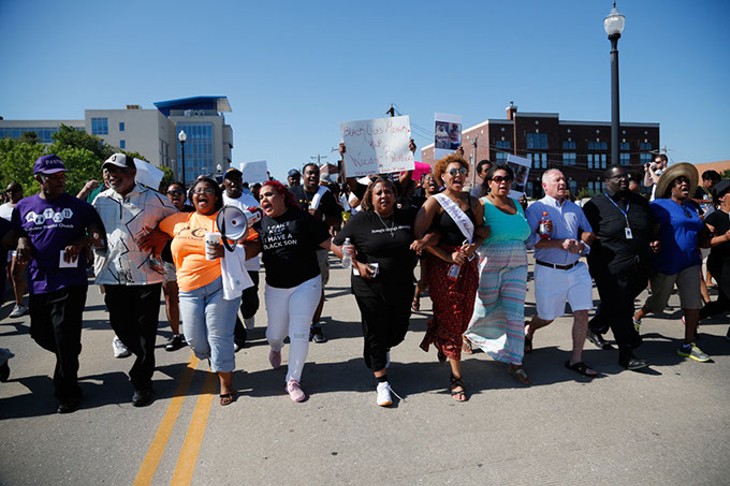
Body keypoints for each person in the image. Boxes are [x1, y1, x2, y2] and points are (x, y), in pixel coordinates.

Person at [11, 155, 105, 413]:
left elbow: (95, 234)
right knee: (39, 333)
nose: (60, 179)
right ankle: (69, 351)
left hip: (70, 282)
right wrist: (21, 241)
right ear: (39, 179)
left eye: (62, 175)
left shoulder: (79, 207)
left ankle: (68, 392)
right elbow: (15, 233)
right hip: (39, 281)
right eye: (53, 176)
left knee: (64, 336)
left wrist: (82, 243)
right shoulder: (23, 207)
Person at [156, 176, 259, 406]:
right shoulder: (178, 220)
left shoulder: (227, 219)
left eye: (208, 190)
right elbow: (155, 229)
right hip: (187, 289)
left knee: (219, 336)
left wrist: (233, 252)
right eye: (197, 190)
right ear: (192, 197)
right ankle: (218, 359)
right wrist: (150, 241)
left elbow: (255, 243)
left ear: (216, 196)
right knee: (197, 342)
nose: (202, 193)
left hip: (220, 285)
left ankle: (226, 382)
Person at [332, 177, 427, 406]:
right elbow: (337, 244)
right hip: (369, 286)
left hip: (402, 284)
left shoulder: (408, 216)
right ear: (371, 198)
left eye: (388, 192)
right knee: (375, 328)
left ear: (395, 196)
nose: (384, 195)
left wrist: (424, 241)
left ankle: (379, 349)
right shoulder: (361, 220)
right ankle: (382, 383)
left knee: (397, 333)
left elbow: (430, 232)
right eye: (378, 193)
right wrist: (356, 263)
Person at [93, 153, 177, 407]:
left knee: (146, 332)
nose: (110, 175)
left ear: (131, 173)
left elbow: (178, 223)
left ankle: (142, 383)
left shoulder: (155, 199)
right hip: (113, 275)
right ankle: (143, 358)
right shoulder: (100, 200)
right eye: (107, 171)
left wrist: (162, 238)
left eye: (116, 170)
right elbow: (92, 229)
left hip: (147, 276)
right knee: (120, 326)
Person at [414, 153, 485, 401]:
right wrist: (446, 257)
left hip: (467, 265)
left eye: (462, 171)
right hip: (443, 266)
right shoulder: (435, 202)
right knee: (453, 315)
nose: (458, 176)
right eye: (452, 172)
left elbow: (482, 230)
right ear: (442, 176)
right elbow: (420, 237)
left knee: (463, 315)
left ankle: (441, 336)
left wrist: (473, 248)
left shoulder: (474, 202)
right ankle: (457, 378)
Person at [256, 180, 334, 402]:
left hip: (306, 283)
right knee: (275, 333)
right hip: (276, 287)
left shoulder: (302, 218)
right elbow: (248, 248)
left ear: (282, 195)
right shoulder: (260, 225)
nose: (264, 200)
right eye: (261, 197)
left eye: (269, 195)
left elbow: (328, 242)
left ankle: (293, 380)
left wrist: (351, 256)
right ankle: (276, 346)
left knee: (300, 331)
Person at [633, 163, 711, 363]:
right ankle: (637, 316)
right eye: (680, 182)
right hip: (667, 262)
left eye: (686, 182)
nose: (684, 184)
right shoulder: (658, 206)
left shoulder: (693, 207)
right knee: (658, 303)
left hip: (691, 262)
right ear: (670, 187)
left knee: (692, 304)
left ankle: (688, 344)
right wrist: (652, 242)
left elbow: (700, 231)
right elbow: (648, 230)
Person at [524, 169, 598, 378]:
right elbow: (529, 239)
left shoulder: (575, 208)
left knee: (582, 312)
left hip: (577, 270)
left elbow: (588, 231)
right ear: (545, 186)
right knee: (548, 316)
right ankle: (529, 328)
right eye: (557, 180)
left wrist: (582, 245)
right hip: (549, 271)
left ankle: (576, 360)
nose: (562, 183)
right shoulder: (537, 208)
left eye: (564, 179)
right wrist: (559, 243)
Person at [582, 167, 657, 370]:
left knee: (620, 301)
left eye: (625, 176)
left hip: (640, 264)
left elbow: (650, 228)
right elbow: (583, 235)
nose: (623, 179)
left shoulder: (640, 202)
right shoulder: (594, 206)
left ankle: (596, 326)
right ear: (607, 181)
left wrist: (655, 240)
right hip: (610, 267)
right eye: (618, 177)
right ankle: (627, 352)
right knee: (622, 307)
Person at [464, 164, 531, 383]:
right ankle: (466, 332)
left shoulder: (518, 205)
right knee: (484, 308)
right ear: (489, 182)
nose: (503, 182)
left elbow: (525, 233)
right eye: (498, 179)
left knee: (515, 314)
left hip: (518, 264)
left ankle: (516, 363)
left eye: (508, 179)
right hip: (490, 262)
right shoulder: (481, 204)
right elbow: (472, 233)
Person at [289, 163, 342, 343]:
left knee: (317, 288)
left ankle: (316, 324)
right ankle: (300, 323)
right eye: (309, 173)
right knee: (296, 288)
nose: (313, 176)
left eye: (316, 173)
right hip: (296, 248)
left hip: (319, 248)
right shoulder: (292, 194)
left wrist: (323, 217)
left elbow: (337, 219)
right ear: (303, 175)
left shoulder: (326, 195)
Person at [221, 168, 261, 351]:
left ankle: (248, 313)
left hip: (249, 259)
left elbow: (260, 224)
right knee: (229, 298)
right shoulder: (218, 200)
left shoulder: (250, 201)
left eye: (237, 178)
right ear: (224, 182)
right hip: (226, 259)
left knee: (251, 299)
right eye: (230, 179)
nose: (234, 182)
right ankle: (237, 334)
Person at [161, 181, 193, 352]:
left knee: (191, 298)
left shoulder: (193, 214)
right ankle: (176, 335)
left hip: (189, 263)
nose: (175, 195)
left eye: (179, 192)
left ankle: (194, 333)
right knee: (170, 298)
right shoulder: (160, 214)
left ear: (185, 196)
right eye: (171, 192)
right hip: (167, 262)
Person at [699, 180, 730, 332]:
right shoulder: (715, 218)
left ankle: (696, 316)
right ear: (722, 198)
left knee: (724, 303)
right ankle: (695, 316)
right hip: (720, 263)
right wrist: (724, 237)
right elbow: (704, 242)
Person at [1, 182, 29, 318]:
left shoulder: (26, 206)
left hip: (21, 244)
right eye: (8, 191)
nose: (11, 193)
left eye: (15, 190)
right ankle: (28, 294)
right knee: (10, 275)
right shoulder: (2, 208)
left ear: (21, 191)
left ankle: (19, 305)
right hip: (5, 247)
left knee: (15, 273)